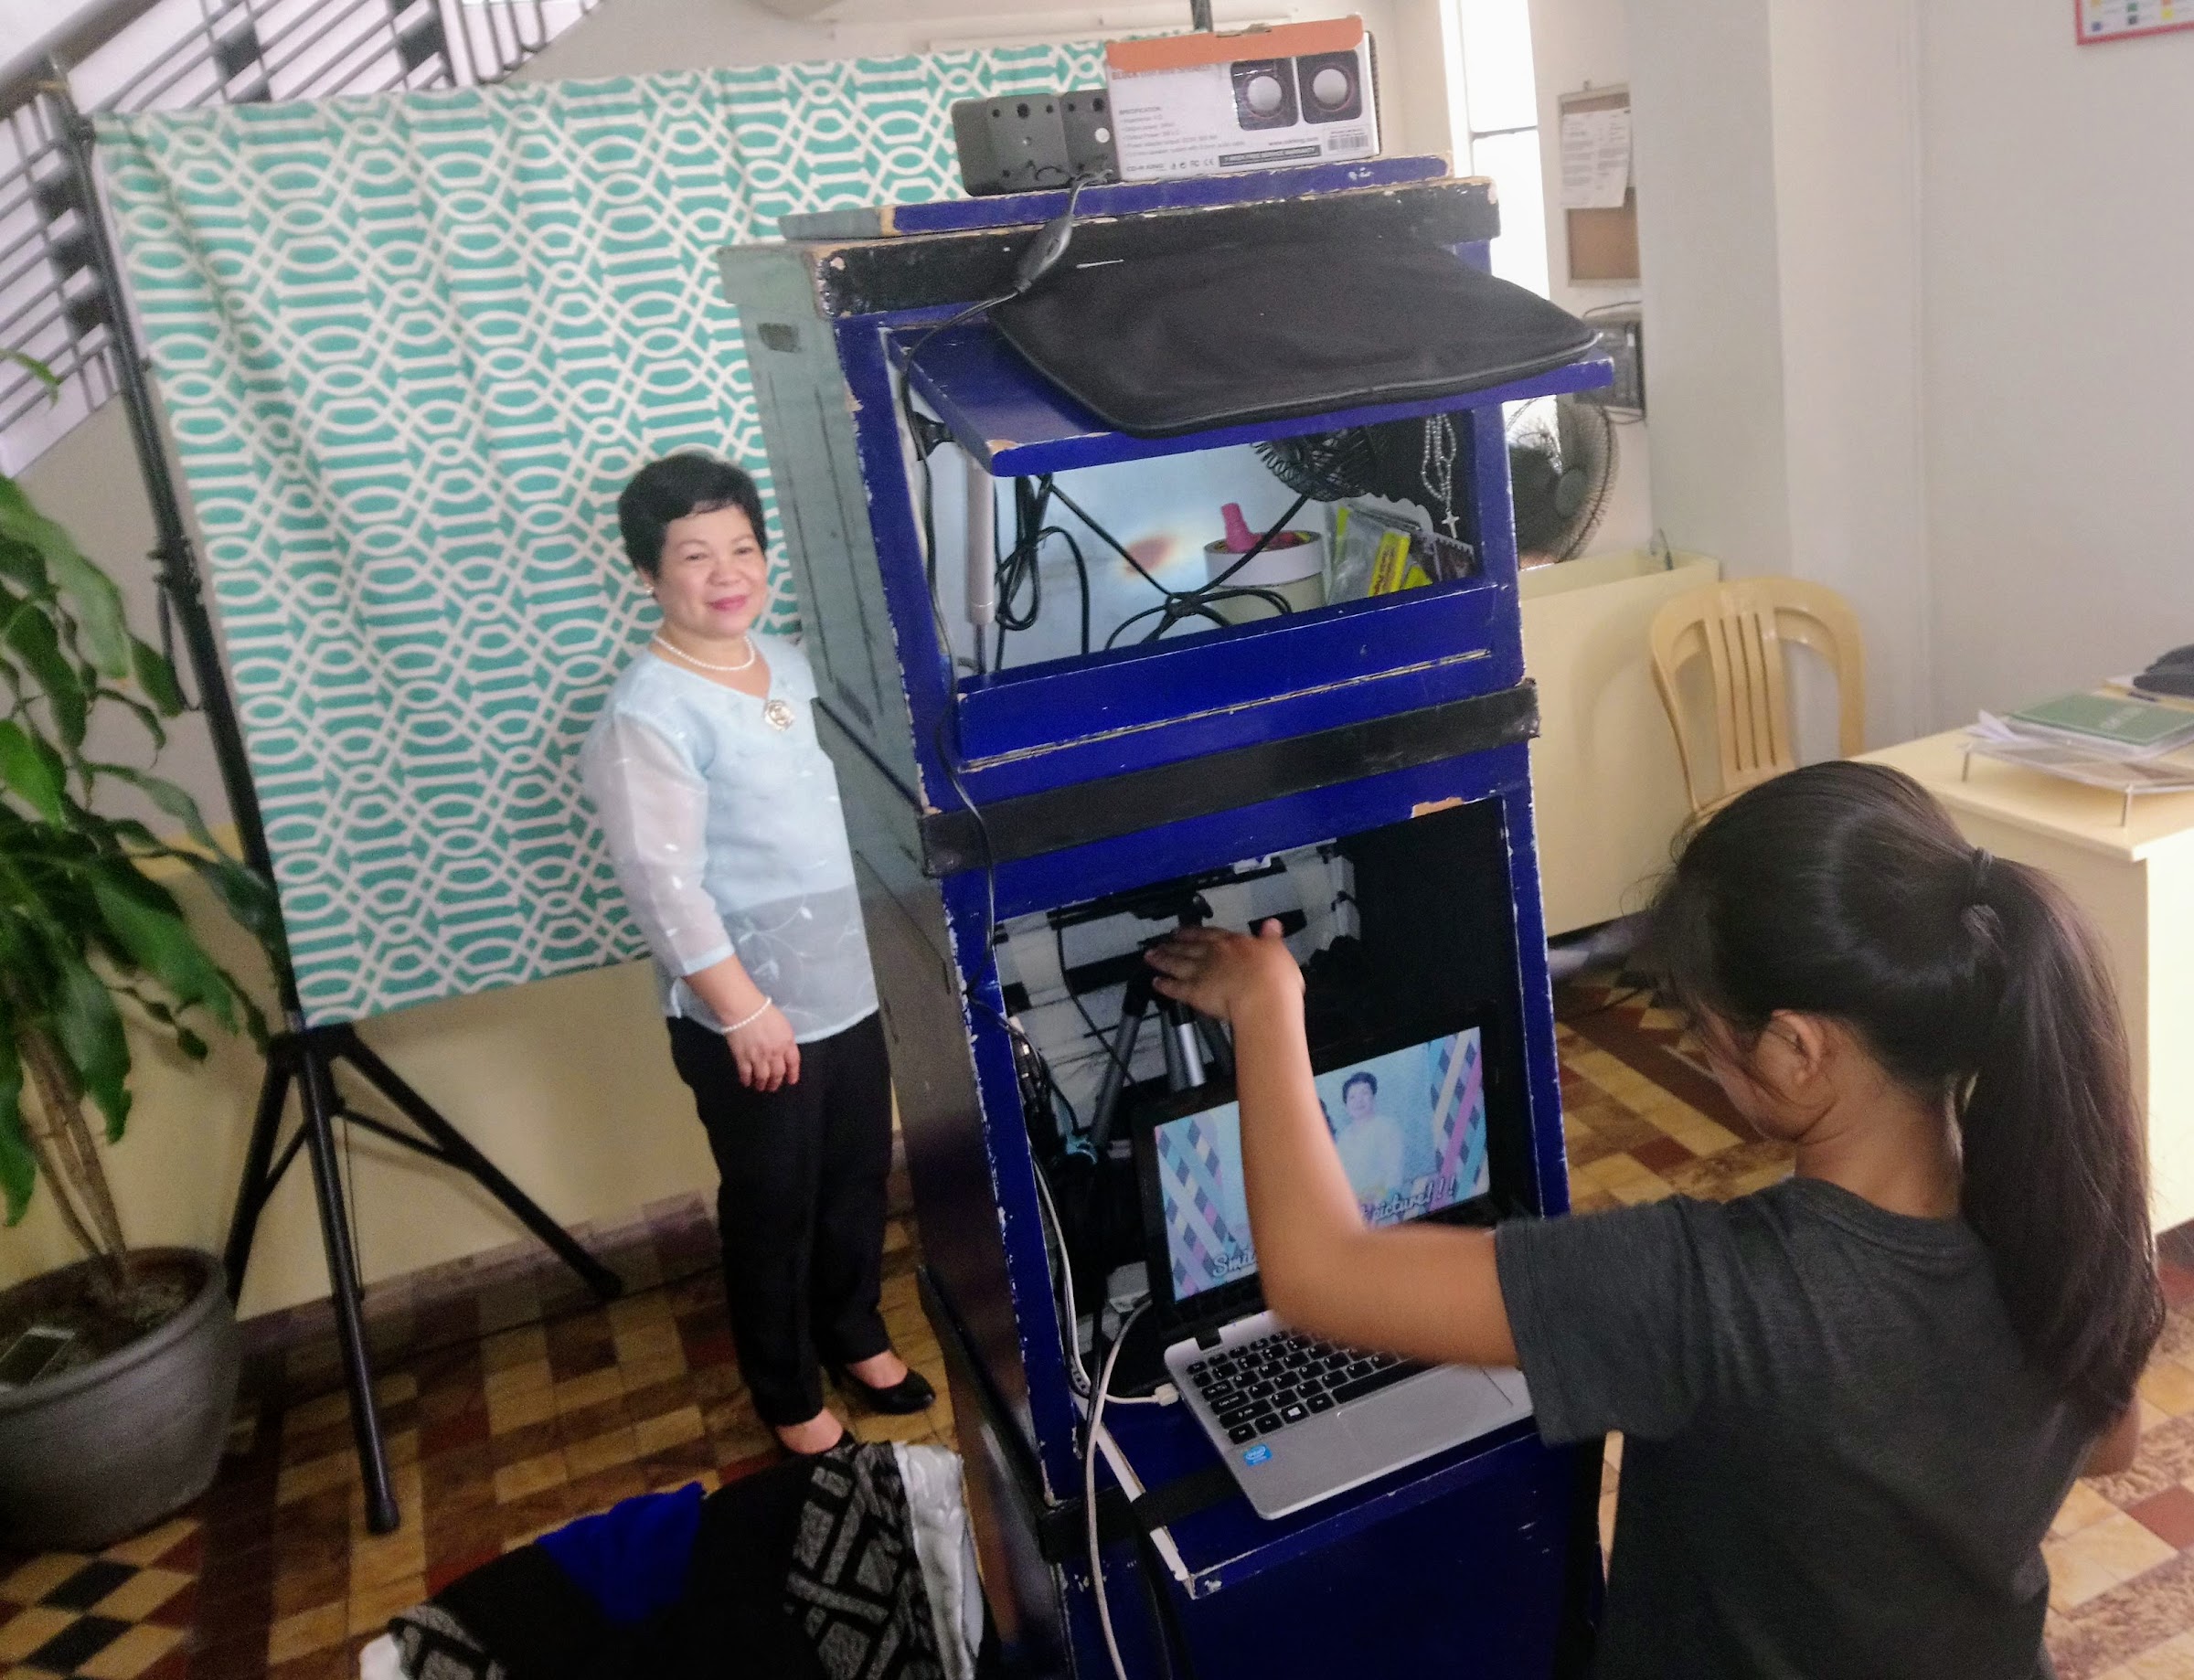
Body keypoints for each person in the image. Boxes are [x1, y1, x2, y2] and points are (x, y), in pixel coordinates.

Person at [1146, 761, 2162, 1679]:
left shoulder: (1708, 1292)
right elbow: (2111, 1442)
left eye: (1702, 1029)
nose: (1698, 1055)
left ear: (1796, 1049)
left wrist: (1267, 1005)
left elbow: (1320, 1274)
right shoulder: (2062, 1217)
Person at [581, 452, 932, 1458]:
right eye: (696, 555)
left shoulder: (793, 662)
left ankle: (854, 1331)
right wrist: (741, 1009)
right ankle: (786, 1391)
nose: (727, 572)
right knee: (775, 1205)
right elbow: (662, 883)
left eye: (742, 547)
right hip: (752, 1008)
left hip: (848, 979)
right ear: (647, 575)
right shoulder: (648, 711)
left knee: (857, 1174)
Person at [1331, 1070, 1402, 1200]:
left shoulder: (1386, 1127)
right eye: (1352, 1097)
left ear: (1373, 1098)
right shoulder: (1344, 1137)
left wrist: (1386, 1201)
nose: (1358, 1100)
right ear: (1346, 1105)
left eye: (1364, 1093)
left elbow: (1394, 1172)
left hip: (1383, 1202)